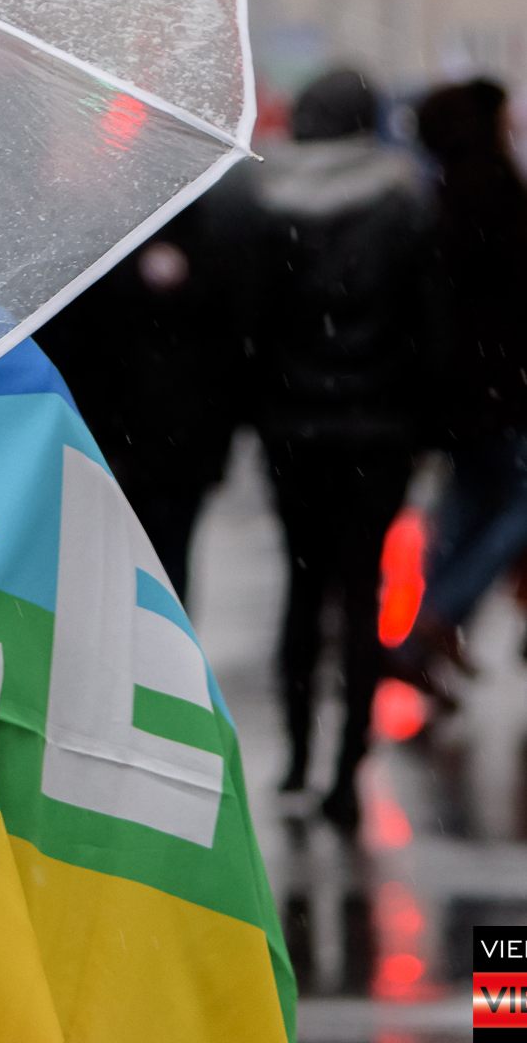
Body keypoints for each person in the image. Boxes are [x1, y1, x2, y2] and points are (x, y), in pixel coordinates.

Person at [228, 68, 438, 830]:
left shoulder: (267, 208)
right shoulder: (403, 206)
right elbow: (426, 331)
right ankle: (350, 766)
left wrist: (253, 412)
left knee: (301, 590)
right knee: (359, 597)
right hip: (378, 435)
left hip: (293, 431)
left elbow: (250, 329)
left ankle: (295, 759)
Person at [38, 197, 242, 599]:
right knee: (150, 563)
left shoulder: (115, 240)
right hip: (145, 442)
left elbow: (228, 350)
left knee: (148, 562)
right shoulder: (110, 244)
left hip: (162, 443)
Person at [395, 79, 527, 692]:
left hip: (459, 393)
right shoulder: (494, 194)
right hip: (502, 389)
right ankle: (442, 614)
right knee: (511, 505)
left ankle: (432, 625)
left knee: (466, 506)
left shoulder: (437, 193)